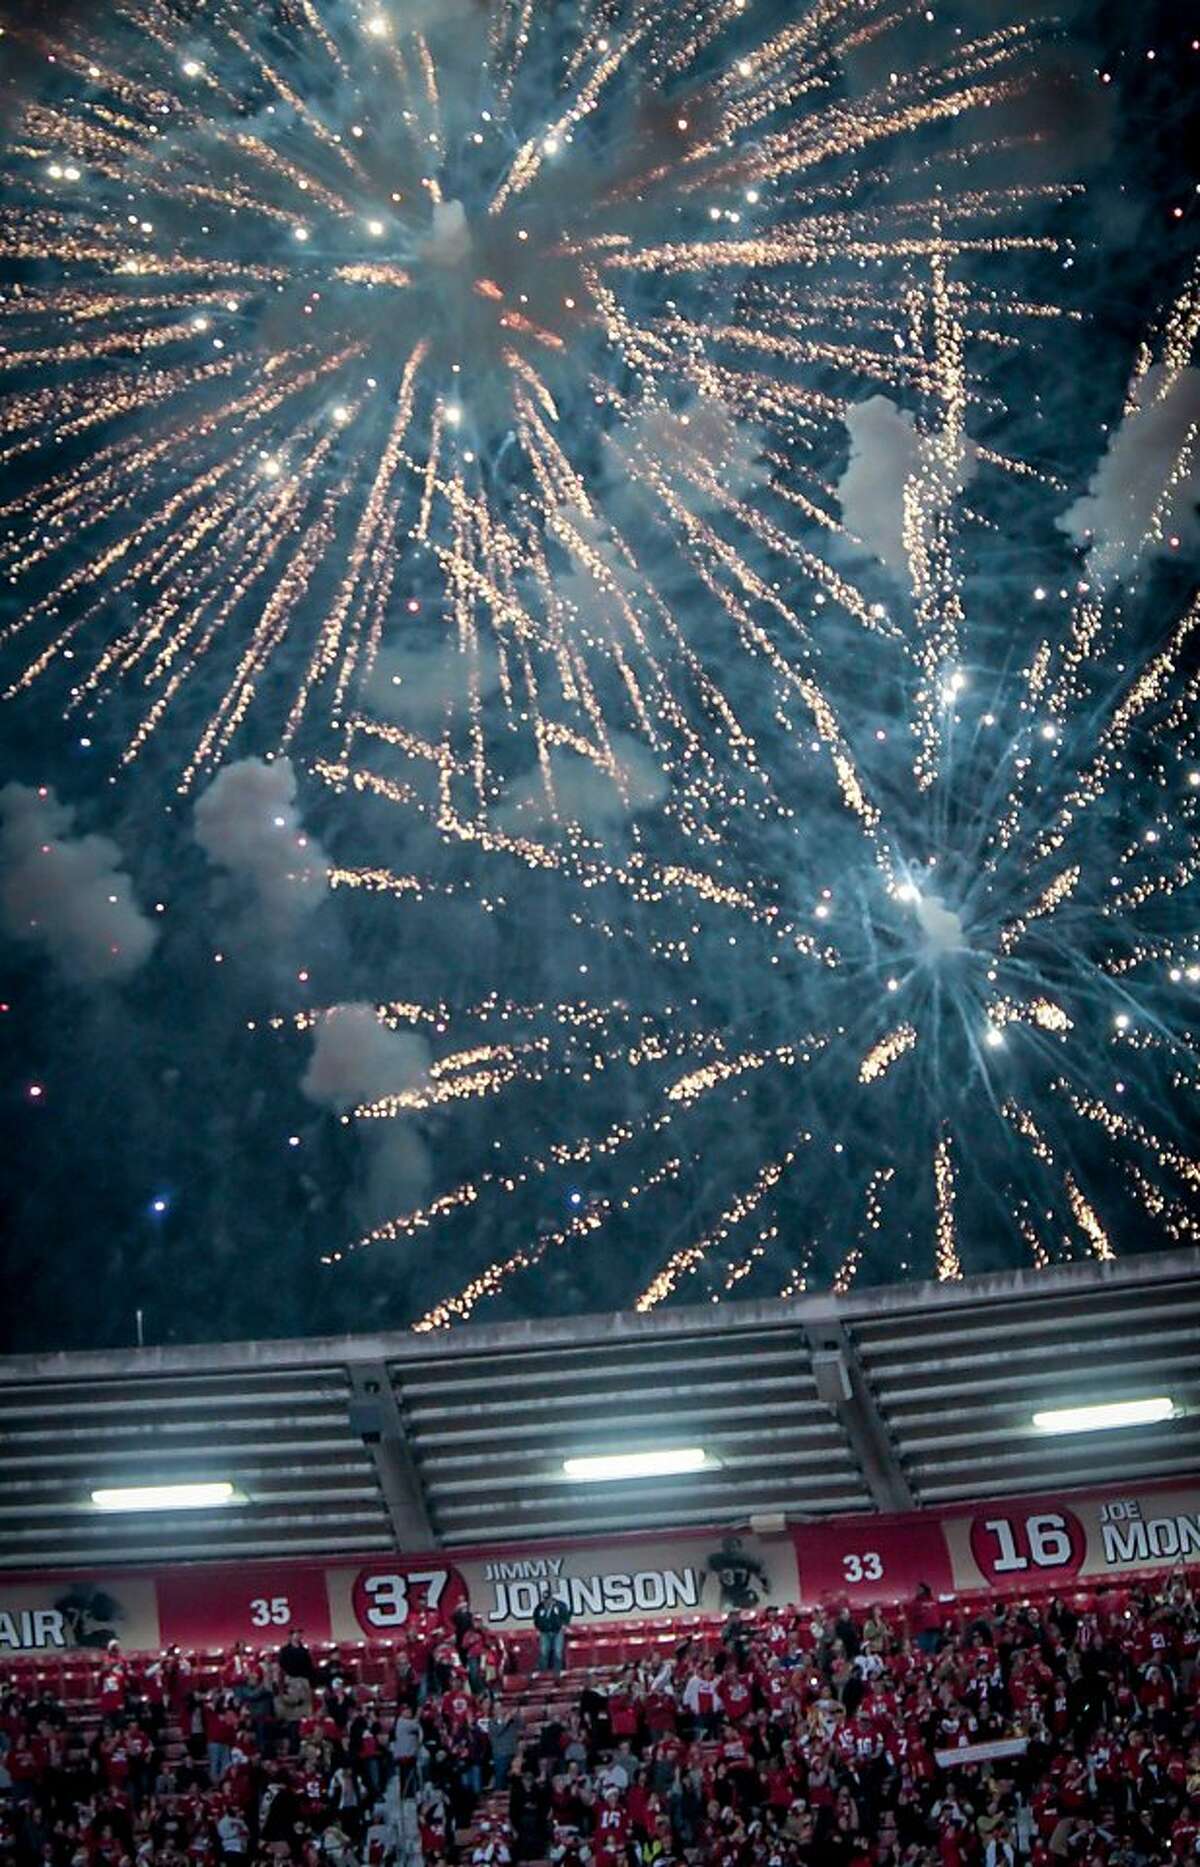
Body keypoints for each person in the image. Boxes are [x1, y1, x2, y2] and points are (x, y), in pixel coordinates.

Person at [532, 1585, 572, 1675]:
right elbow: (535, 1618)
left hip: (557, 1631)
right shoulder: (540, 1607)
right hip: (545, 1632)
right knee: (543, 1652)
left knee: (558, 1652)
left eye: (548, 1599)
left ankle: (558, 1672)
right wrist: (539, 1627)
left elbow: (566, 1616)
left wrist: (564, 1625)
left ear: (551, 1598)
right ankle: (543, 1673)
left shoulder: (560, 1605)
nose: (546, 1601)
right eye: (545, 1599)